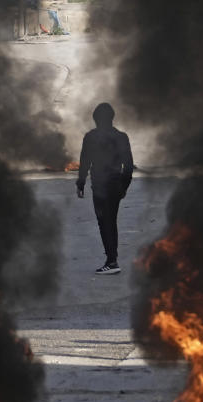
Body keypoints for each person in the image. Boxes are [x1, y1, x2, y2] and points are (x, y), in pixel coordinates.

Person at [76, 103, 134, 275]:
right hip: (115, 184)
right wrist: (124, 186)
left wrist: (80, 183)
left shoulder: (90, 137)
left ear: (95, 119)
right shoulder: (122, 137)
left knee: (104, 223)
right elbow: (128, 166)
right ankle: (112, 258)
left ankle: (112, 261)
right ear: (111, 118)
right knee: (111, 221)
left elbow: (85, 162)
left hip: (100, 185)